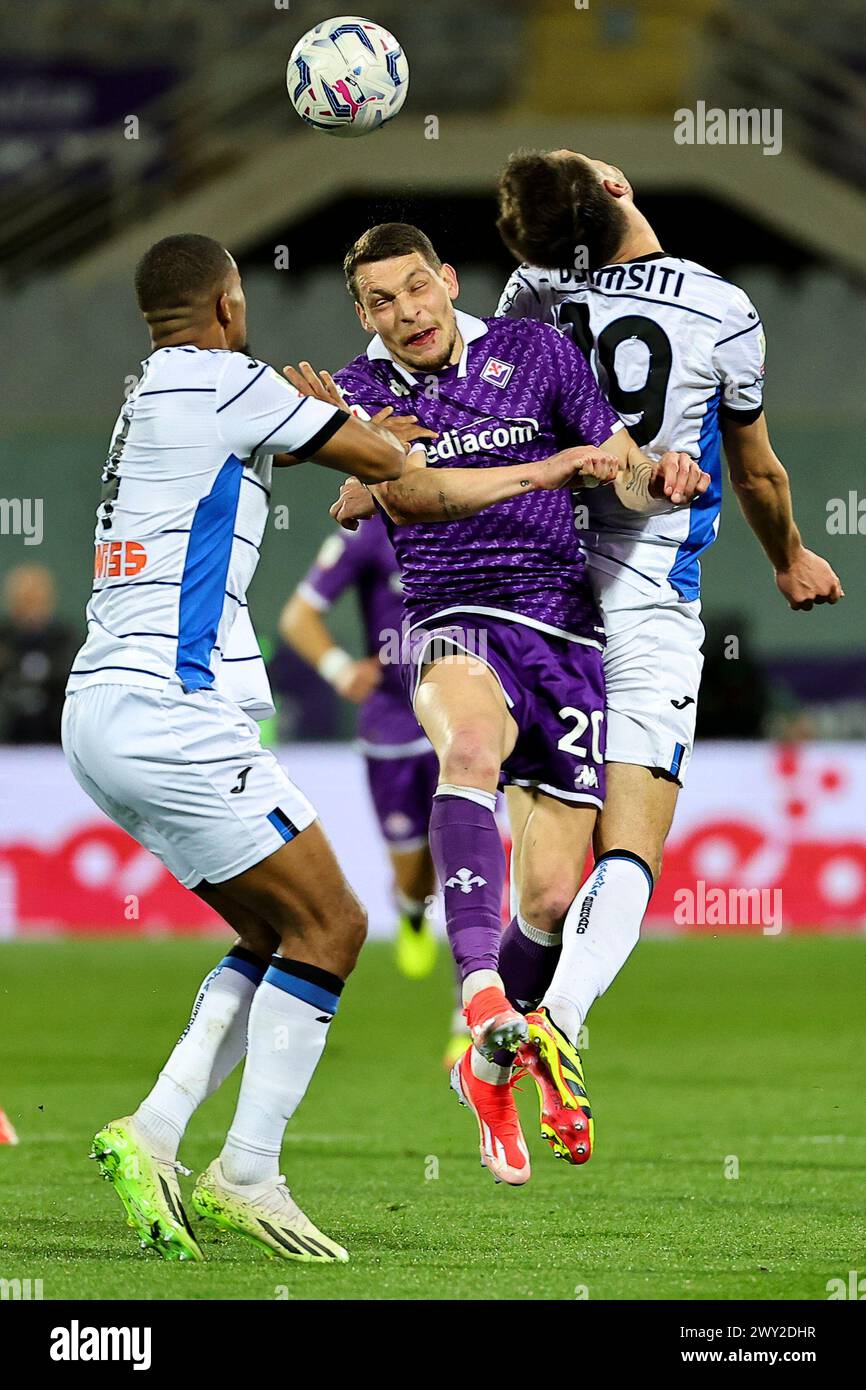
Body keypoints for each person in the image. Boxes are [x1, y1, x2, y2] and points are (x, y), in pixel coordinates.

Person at [292, 221, 709, 1185]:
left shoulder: (534, 349)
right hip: (453, 618)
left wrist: (662, 476)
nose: (405, 315)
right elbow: (413, 499)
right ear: (362, 316)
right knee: (470, 746)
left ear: (447, 281)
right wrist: (542, 469)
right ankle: (477, 993)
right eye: (381, 303)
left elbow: (619, 466)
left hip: (564, 632)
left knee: (557, 899)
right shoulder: (359, 395)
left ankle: (488, 1070)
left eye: (415, 290)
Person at [62, 233, 405, 1264]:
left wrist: (333, 427)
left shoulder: (158, 393)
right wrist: (360, 427)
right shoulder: (227, 381)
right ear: (227, 302)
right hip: (168, 712)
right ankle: (247, 1170)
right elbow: (384, 463)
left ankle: (155, 1132)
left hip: (106, 712)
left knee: (275, 932)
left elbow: (307, 449)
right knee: (336, 924)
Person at [490, 149, 843, 1150]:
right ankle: (560, 1018)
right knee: (630, 850)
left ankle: (489, 1035)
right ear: (612, 189)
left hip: (539, 598)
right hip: (644, 602)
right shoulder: (721, 307)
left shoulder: (531, 297)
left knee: (548, 886)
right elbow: (759, 473)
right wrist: (788, 556)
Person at [0, 565, 76, 743]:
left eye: (36, 600)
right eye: (24, 601)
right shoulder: (4, 638)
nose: (30, 609)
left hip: (55, 739)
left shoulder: (64, 639)